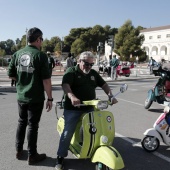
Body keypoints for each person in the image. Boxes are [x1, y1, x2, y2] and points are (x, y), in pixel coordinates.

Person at [55, 51, 118, 170]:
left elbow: (104, 84)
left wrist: (111, 95)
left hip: (90, 106)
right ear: (79, 61)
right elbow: (65, 85)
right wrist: (72, 97)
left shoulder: (93, 73)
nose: (89, 67)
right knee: (68, 132)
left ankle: (94, 149)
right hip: (73, 108)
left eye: (91, 64)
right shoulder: (71, 72)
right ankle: (60, 156)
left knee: (98, 128)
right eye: (86, 63)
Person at [8, 27, 53, 165]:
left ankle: (18, 150)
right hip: (35, 97)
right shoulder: (40, 55)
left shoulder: (17, 54)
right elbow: (46, 80)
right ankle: (32, 155)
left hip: (21, 96)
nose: (42, 43)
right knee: (32, 125)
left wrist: (23, 81)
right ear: (38, 39)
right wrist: (50, 98)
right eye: (42, 40)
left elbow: (11, 74)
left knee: (22, 122)